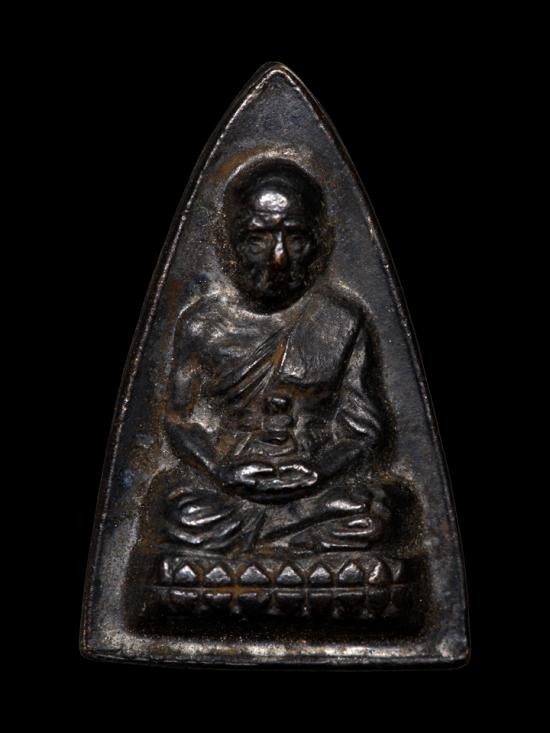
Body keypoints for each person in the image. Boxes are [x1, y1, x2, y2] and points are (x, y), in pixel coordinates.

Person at [160, 161, 392, 554]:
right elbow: (179, 420)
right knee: (178, 513)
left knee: (376, 511)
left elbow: (364, 431)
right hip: (233, 485)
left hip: (312, 484)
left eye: (296, 239)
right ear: (228, 244)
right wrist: (219, 469)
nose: (279, 258)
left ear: (318, 243)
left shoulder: (341, 320)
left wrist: (319, 472)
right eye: (258, 240)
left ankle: (264, 545)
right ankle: (291, 544)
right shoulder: (201, 325)